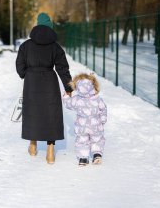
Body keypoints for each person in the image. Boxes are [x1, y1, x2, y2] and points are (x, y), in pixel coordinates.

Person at [16, 12, 72, 164]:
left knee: (33, 111)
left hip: (31, 82)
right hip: (49, 82)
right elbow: (62, 68)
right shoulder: (55, 47)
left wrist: (26, 74)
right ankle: (50, 152)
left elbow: (20, 66)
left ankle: (33, 146)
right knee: (50, 114)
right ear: (50, 26)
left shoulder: (25, 46)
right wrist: (69, 87)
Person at [62, 73, 107, 166]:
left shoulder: (76, 99)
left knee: (82, 140)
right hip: (96, 125)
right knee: (97, 139)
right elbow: (103, 109)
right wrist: (103, 120)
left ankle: (83, 158)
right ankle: (97, 154)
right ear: (93, 85)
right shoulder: (97, 99)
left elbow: (68, 104)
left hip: (81, 126)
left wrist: (66, 96)